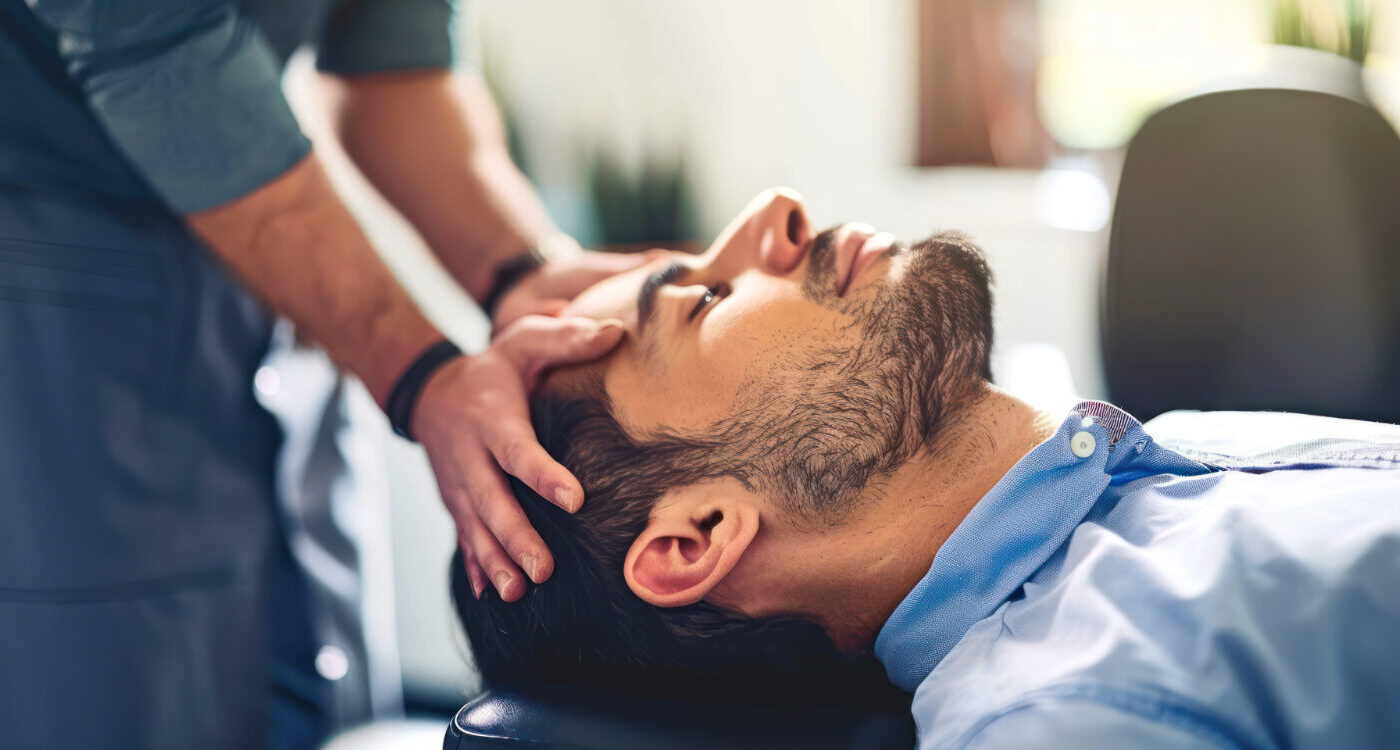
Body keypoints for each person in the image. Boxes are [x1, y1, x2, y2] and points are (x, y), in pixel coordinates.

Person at [452, 188, 1400, 748]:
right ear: (697, 535)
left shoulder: (1188, 442)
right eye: (704, 299)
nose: (776, 211)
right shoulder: (1074, 713)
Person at [0, 1, 647, 748]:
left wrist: (519, 272)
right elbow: (155, 50)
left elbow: (392, 61)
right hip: (58, 294)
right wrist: (422, 373)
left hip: (261, 260)